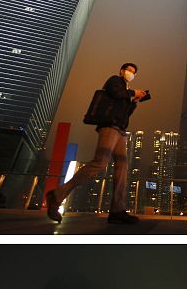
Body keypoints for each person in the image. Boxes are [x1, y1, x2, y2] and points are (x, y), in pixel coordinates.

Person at [45, 63, 148, 225]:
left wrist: (134, 101)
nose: (130, 74)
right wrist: (132, 92)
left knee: (122, 167)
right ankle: (57, 195)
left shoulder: (125, 93)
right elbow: (115, 93)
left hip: (120, 130)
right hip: (109, 127)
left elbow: (125, 113)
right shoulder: (115, 81)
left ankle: (117, 210)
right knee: (100, 163)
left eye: (134, 72)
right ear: (121, 71)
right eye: (128, 70)